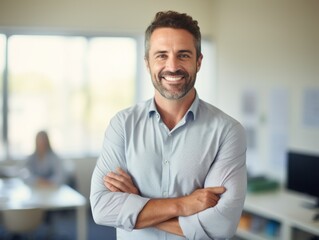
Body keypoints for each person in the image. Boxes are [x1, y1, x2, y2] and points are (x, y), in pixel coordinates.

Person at [90, 10, 247, 240]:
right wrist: (182, 205)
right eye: (161, 55)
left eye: (183, 55)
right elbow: (102, 209)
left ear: (199, 61)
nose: (172, 66)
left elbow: (219, 227)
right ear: (147, 63)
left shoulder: (228, 132)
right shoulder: (122, 125)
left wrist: (136, 203)